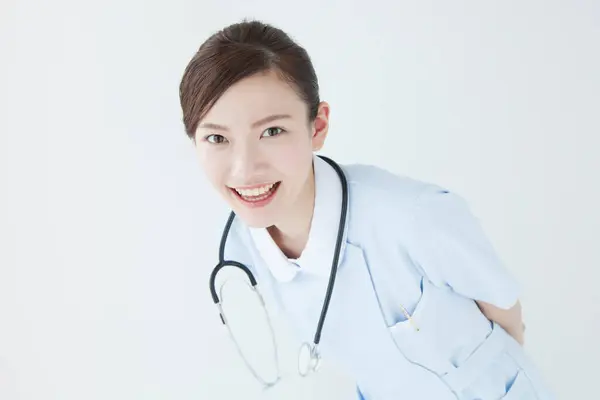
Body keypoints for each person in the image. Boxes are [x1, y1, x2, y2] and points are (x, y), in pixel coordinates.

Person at [178, 19, 554, 400]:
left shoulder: (411, 216)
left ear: (317, 126)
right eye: (217, 137)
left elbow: (505, 315)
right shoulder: (239, 247)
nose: (244, 169)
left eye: (271, 132)